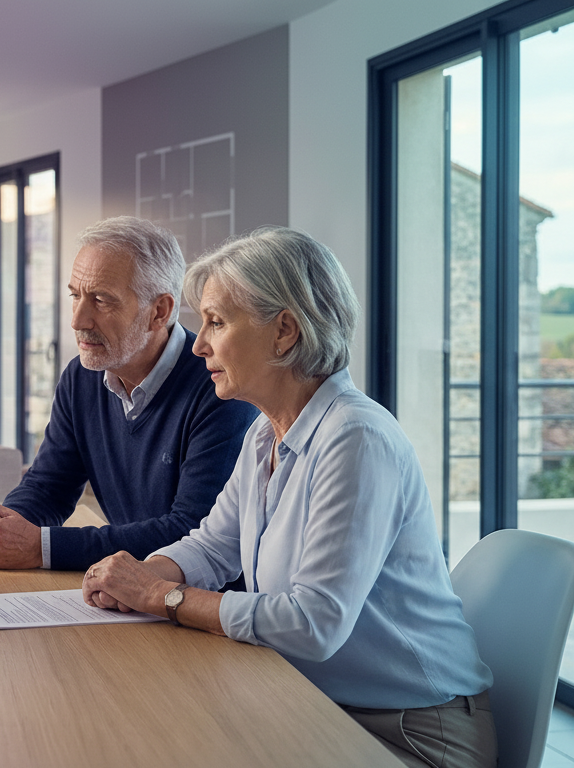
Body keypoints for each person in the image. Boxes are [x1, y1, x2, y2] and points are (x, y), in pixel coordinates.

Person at [81, 227, 496, 768]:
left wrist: (162, 597)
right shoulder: (265, 434)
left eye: (216, 322)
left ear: (285, 332)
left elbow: (313, 623)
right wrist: (141, 576)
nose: (199, 343)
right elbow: (212, 547)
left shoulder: (357, 439)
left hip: (413, 732)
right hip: (319, 701)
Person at [0, 216, 257, 571]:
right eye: (75, 296)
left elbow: (192, 531)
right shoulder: (81, 377)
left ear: (159, 311)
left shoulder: (221, 388)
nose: (78, 320)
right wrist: (3, 527)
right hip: (125, 592)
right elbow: (49, 485)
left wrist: (42, 547)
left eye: (101, 300)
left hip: (200, 607)